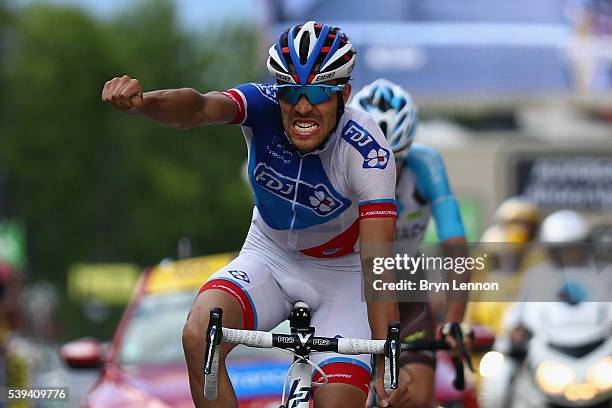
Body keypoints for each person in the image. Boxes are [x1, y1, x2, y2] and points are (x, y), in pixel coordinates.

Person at [103, 21, 403, 408]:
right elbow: (196, 108)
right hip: (269, 255)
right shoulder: (260, 107)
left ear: (344, 94)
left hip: (341, 275)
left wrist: (388, 367)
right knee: (199, 335)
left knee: (336, 402)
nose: (302, 106)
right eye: (290, 91)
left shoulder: (367, 153)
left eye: (318, 92)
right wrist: (144, 103)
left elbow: (377, 264)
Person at [350, 79, 470, 408]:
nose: (383, 177)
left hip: (405, 285)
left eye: (395, 164)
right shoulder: (337, 165)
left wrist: (454, 322)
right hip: (349, 286)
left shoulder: (426, 164)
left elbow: (456, 248)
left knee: (413, 398)